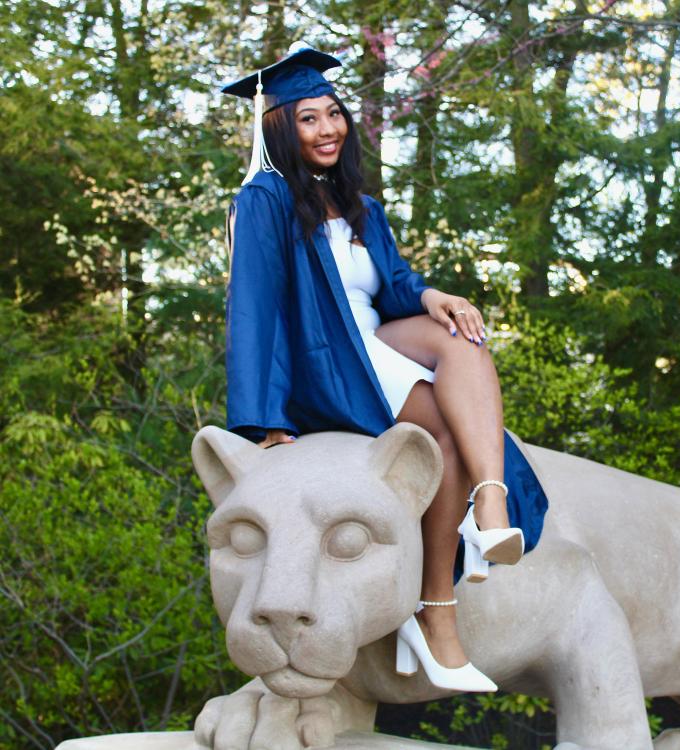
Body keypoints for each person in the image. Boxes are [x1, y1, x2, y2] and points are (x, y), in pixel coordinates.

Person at [221, 44, 548, 692]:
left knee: (463, 338)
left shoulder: (361, 205)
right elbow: (254, 309)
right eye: (308, 118)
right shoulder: (264, 199)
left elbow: (393, 285)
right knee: (440, 436)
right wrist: (265, 419)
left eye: (334, 114)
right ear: (279, 127)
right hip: (327, 362)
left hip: (378, 342)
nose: (327, 129)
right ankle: (437, 615)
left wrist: (433, 297)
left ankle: (490, 509)